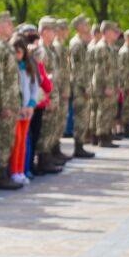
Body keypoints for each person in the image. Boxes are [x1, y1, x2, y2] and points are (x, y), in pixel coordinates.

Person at [0, 11, 24, 189]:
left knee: (8, 138)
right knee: (2, 139)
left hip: (11, 101)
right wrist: (1, 105)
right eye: (9, 24)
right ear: (0, 26)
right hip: (4, 104)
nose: (12, 27)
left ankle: (4, 172)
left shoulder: (6, 46)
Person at [36, 16, 64, 169]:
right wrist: (47, 98)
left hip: (53, 94)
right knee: (45, 129)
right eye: (53, 30)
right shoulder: (41, 51)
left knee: (51, 127)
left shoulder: (50, 49)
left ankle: (48, 156)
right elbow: (40, 78)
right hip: (46, 97)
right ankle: (42, 160)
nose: (55, 33)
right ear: (45, 31)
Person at [9, 34, 38, 185]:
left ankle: (21, 170)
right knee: (16, 141)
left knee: (23, 142)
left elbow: (34, 88)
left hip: (27, 110)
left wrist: (31, 105)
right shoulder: (11, 68)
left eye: (20, 52)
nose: (17, 55)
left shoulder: (28, 67)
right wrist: (19, 107)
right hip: (17, 111)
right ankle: (14, 171)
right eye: (15, 52)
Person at [68, 14, 95, 158]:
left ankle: (80, 145)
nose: (88, 26)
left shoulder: (83, 43)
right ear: (78, 27)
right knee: (80, 116)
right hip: (80, 86)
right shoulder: (77, 44)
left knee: (84, 116)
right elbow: (77, 69)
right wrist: (85, 87)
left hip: (83, 84)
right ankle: (78, 147)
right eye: (85, 24)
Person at [91, 20, 121, 148]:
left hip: (111, 85)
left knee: (109, 111)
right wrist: (106, 87)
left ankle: (107, 134)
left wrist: (116, 84)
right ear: (107, 32)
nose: (117, 33)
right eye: (114, 31)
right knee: (103, 111)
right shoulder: (101, 47)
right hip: (103, 86)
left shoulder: (110, 47)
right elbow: (100, 70)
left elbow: (114, 69)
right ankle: (102, 137)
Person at [52, 19, 72, 160]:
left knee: (60, 121)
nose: (67, 32)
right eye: (65, 29)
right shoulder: (57, 47)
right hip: (58, 89)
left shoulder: (61, 46)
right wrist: (61, 89)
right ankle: (53, 150)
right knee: (56, 121)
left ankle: (56, 148)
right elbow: (57, 72)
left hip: (62, 88)